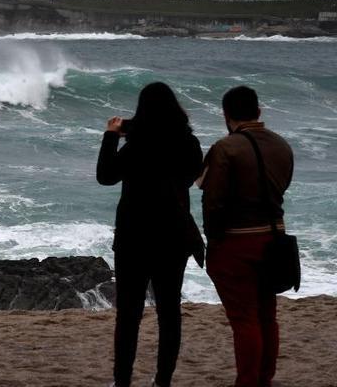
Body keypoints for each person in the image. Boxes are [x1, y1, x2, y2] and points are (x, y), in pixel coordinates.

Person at [97, 82, 203, 387]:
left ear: (141, 111)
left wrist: (110, 136)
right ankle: (163, 381)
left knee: (128, 315)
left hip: (134, 237)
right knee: (169, 312)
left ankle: (122, 382)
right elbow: (192, 177)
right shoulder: (188, 143)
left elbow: (105, 177)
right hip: (174, 236)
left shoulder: (136, 146)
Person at [201, 86, 294, 387]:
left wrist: (213, 242)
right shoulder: (282, 146)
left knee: (244, 319)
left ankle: (248, 381)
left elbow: (212, 201)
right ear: (259, 111)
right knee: (268, 314)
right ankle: (264, 379)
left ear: (226, 115)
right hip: (275, 238)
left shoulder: (226, 148)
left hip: (237, 243)